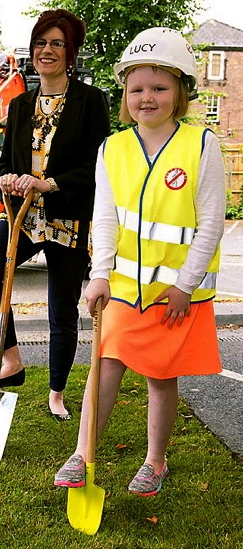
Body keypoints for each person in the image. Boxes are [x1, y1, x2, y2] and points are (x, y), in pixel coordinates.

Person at [54, 27, 226, 494]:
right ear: (124, 95)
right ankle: (82, 453)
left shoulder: (202, 145)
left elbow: (211, 223)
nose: (146, 98)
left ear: (180, 92)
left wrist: (186, 285)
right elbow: (104, 219)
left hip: (173, 295)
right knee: (105, 366)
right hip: (124, 291)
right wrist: (98, 276)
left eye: (159, 87)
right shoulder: (113, 148)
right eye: (136, 89)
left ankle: (155, 461)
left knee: (159, 377)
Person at [0, 9, 110, 420]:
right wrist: (10, 181)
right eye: (41, 43)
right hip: (24, 216)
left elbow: (96, 166)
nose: (47, 50)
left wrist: (48, 183)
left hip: (67, 216)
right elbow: (4, 163)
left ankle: (57, 393)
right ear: (32, 51)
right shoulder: (18, 104)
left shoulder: (91, 101)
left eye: (57, 44)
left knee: (61, 309)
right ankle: (10, 360)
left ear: (71, 53)